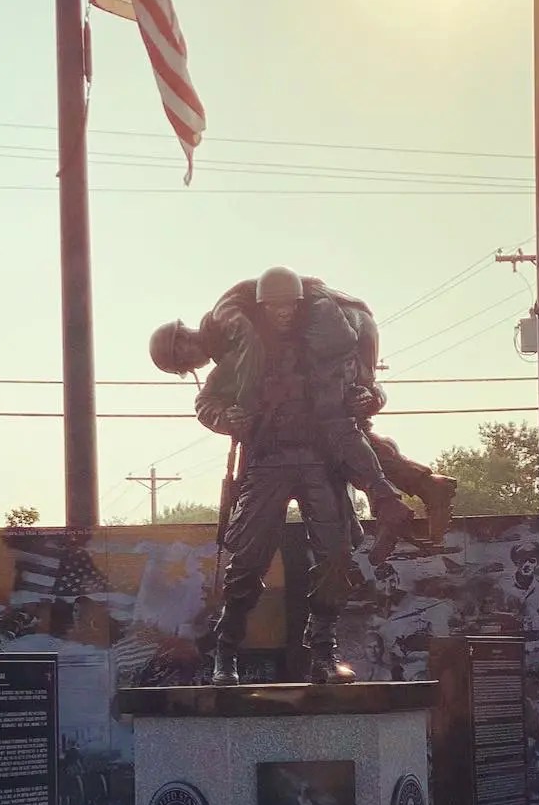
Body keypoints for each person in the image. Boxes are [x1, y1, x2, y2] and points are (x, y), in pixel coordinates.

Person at [157, 266, 433, 685]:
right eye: (274, 308)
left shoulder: (323, 347)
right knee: (247, 561)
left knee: (335, 555)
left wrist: (368, 397)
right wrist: (227, 418)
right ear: (264, 309)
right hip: (268, 462)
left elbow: (368, 388)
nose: (282, 316)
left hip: (321, 463)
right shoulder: (240, 355)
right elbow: (207, 401)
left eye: (289, 307)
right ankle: (226, 653)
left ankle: (323, 652)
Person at [150, 272, 456, 543]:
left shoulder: (223, 317)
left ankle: (395, 501)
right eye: (183, 365)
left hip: (339, 321)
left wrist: (249, 406)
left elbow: (254, 349)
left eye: (183, 358)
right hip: (351, 321)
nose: (190, 363)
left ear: (182, 343)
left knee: (334, 421)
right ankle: (420, 489)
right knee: (352, 420)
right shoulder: (224, 341)